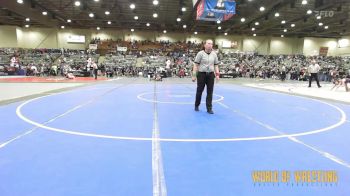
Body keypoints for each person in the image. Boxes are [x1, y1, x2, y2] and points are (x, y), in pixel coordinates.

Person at [192, 39, 220, 114]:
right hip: (201, 74)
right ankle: (196, 105)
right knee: (199, 91)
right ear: (205, 45)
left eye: (211, 44)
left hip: (210, 75)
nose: (210, 45)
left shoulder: (214, 54)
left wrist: (217, 75)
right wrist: (194, 75)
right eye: (208, 43)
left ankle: (209, 108)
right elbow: (196, 65)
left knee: (210, 92)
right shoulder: (200, 54)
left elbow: (216, 65)